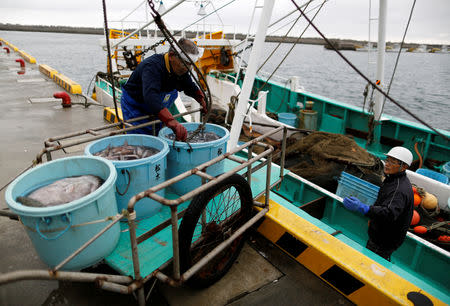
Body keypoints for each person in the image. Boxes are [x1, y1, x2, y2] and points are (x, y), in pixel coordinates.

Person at [120, 38, 207, 141]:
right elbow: (151, 96)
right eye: (184, 63)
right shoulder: (152, 67)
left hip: (158, 105)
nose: (187, 68)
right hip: (136, 105)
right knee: (140, 140)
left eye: (191, 64)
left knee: (157, 132)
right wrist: (172, 121)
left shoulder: (181, 69)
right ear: (171, 56)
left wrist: (202, 99)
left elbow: (188, 85)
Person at [342, 146, 414, 261]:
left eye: (393, 162)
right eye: (387, 160)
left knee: (373, 262)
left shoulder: (399, 189)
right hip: (380, 233)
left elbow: (389, 213)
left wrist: (364, 208)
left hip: (384, 240)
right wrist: (372, 216)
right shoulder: (391, 179)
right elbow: (382, 201)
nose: (387, 164)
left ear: (404, 167)